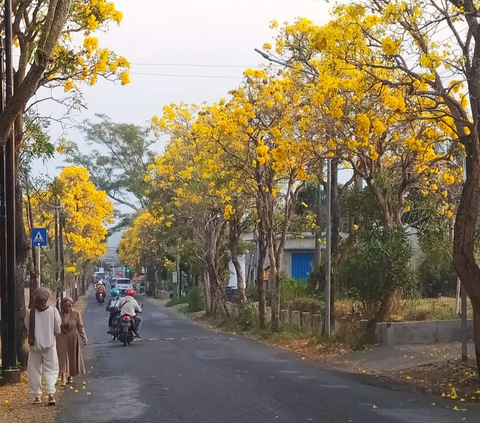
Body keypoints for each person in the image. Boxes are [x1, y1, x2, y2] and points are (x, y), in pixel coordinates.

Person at [24, 287, 61, 405]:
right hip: (49, 345)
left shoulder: (30, 312)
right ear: (46, 297)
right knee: (51, 369)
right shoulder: (53, 311)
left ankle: (37, 396)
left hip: (34, 346)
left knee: (34, 371)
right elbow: (58, 328)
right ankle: (50, 393)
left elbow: (27, 326)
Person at [56, 297, 88, 386]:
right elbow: (54, 327)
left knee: (72, 356)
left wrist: (84, 338)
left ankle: (71, 376)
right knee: (62, 357)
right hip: (61, 338)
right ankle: (63, 376)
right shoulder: (58, 314)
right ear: (62, 306)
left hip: (72, 337)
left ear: (72, 305)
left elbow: (80, 327)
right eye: (65, 306)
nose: (68, 308)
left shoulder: (76, 314)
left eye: (69, 306)